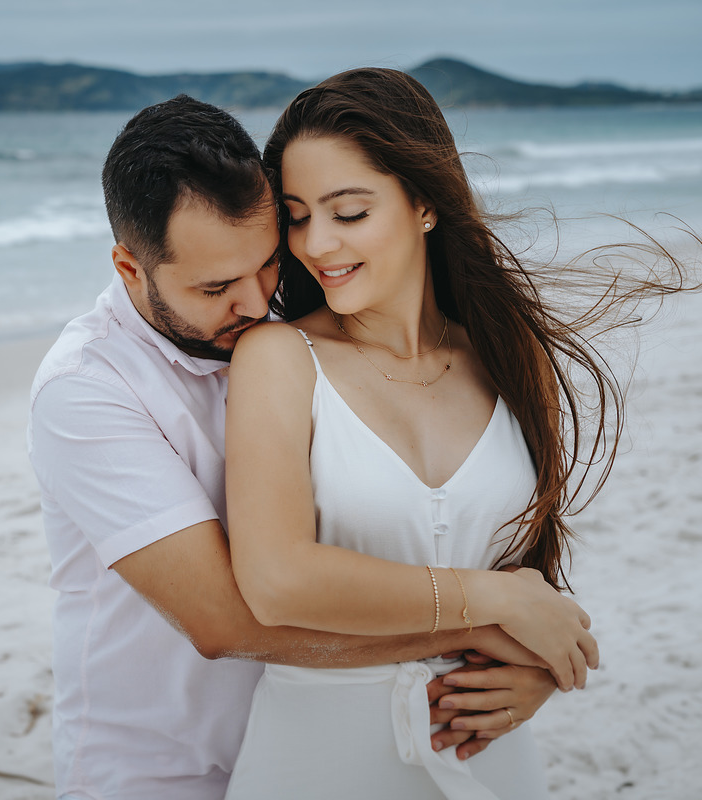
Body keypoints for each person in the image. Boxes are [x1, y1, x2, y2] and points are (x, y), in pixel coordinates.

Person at [28, 94, 571, 800]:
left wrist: (528, 659)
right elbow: (226, 621)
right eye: (217, 287)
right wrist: (490, 623)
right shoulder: (86, 390)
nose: (256, 303)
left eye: (266, 263)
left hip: (312, 733)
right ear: (131, 269)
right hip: (158, 765)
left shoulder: (299, 317)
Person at [223, 67, 691, 798]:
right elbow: (277, 580)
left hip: (489, 754)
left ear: (425, 204)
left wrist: (537, 670)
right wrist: (493, 605)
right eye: (296, 215)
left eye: (349, 212)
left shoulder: (507, 357)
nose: (316, 243)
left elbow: (532, 573)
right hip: (317, 760)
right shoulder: (280, 358)